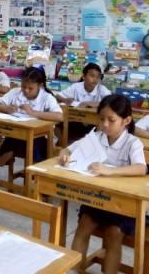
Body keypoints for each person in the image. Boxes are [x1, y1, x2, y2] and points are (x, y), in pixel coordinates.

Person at [59, 95, 145, 274]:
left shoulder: (132, 143)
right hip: (97, 198)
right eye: (101, 119)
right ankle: (75, 270)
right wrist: (64, 155)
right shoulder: (96, 137)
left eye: (111, 120)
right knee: (83, 225)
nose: (105, 124)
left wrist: (110, 171)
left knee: (114, 233)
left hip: (122, 205)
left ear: (126, 121)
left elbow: (141, 168)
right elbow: (67, 149)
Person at [0, 66, 63, 187]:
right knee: (13, 139)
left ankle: (35, 179)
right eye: (23, 86)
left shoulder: (47, 97)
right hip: (18, 133)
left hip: (40, 137)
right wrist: (7, 108)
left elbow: (59, 116)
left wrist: (33, 113)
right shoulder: (16, 92)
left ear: (40, 86)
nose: (26, 90)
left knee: (24, 142)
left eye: (30, 88)